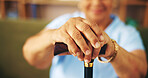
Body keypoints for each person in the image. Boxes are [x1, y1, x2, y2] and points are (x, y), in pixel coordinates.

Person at [23, 0, 147, 78]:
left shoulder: (127, 32)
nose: (96, 2)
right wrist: (53, 36)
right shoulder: (63, 22)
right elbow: (32, 57)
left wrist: (113, 50)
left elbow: (139, 74)